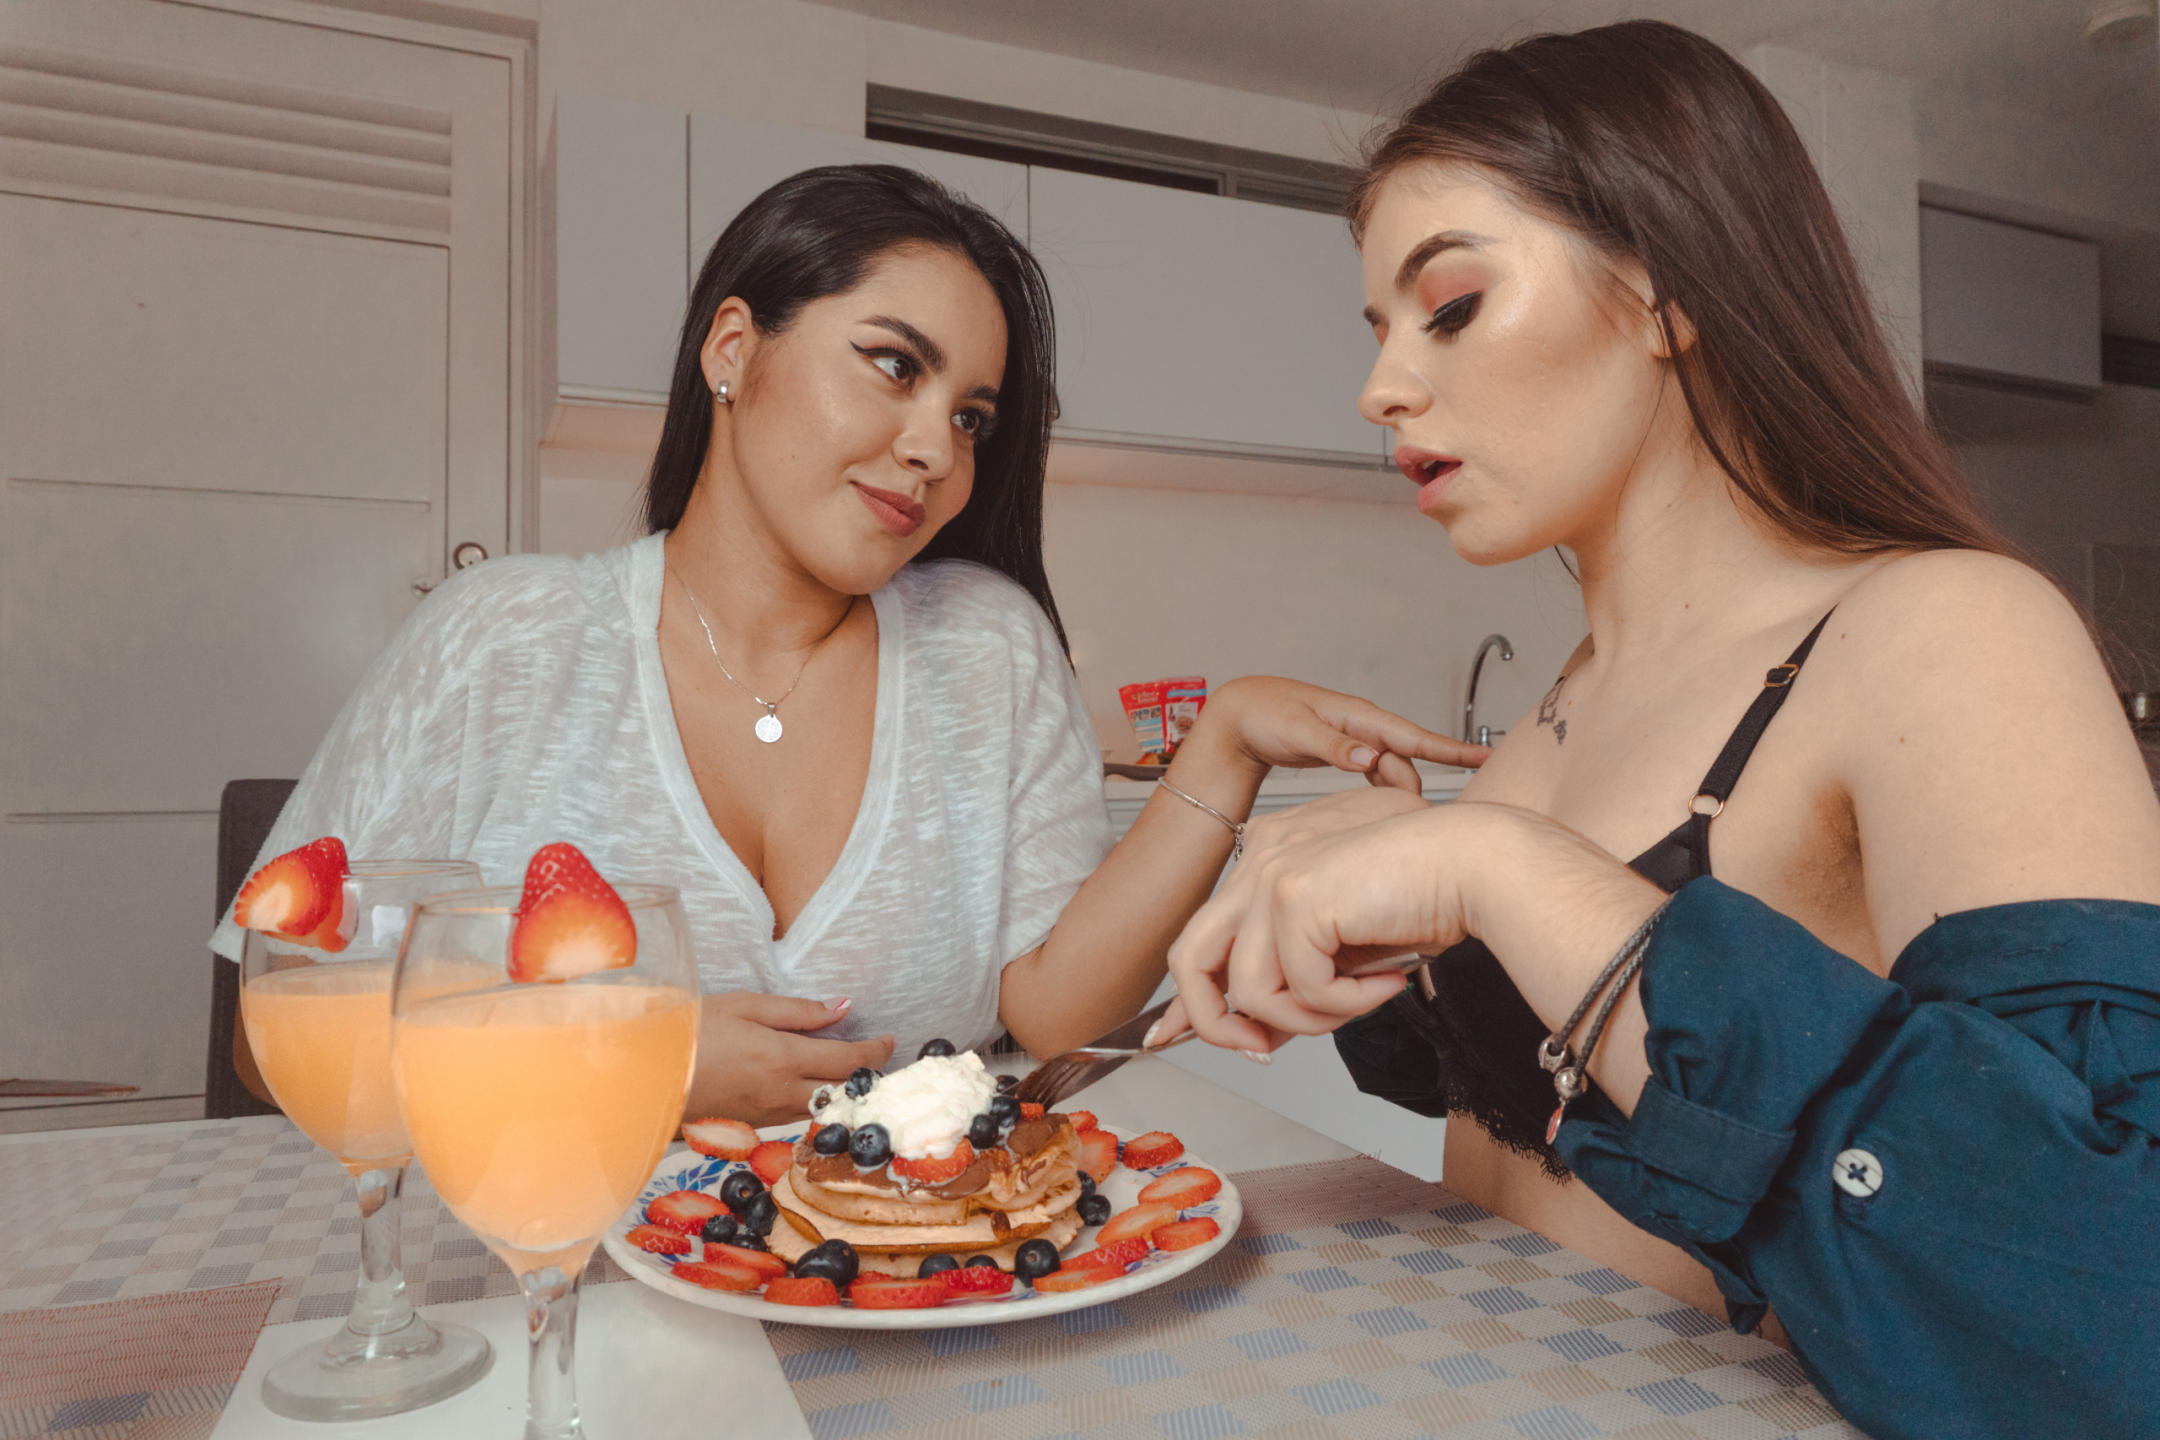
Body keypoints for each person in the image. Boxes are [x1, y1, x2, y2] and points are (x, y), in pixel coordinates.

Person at [1154, 22, 2160, 1440]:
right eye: (1378, 330)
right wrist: (1393, 943)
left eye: (1450, 305)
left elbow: (2111, 1310)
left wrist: (1496, 870)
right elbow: (1525, 1131)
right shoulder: (1557, 703)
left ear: (1665, 292)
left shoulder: (1944, 627)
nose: (1380, 388)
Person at [213, 164, 1480, 1125]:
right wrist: (627, 1059)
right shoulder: (501, 638)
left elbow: (1050, 1015)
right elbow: (271, 1046)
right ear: (732, 348)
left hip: (919, 1302)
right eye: (891, 366)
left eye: (972, 417)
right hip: (537, 1285)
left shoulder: (990, 647)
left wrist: (1226, 743)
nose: (936, 450)